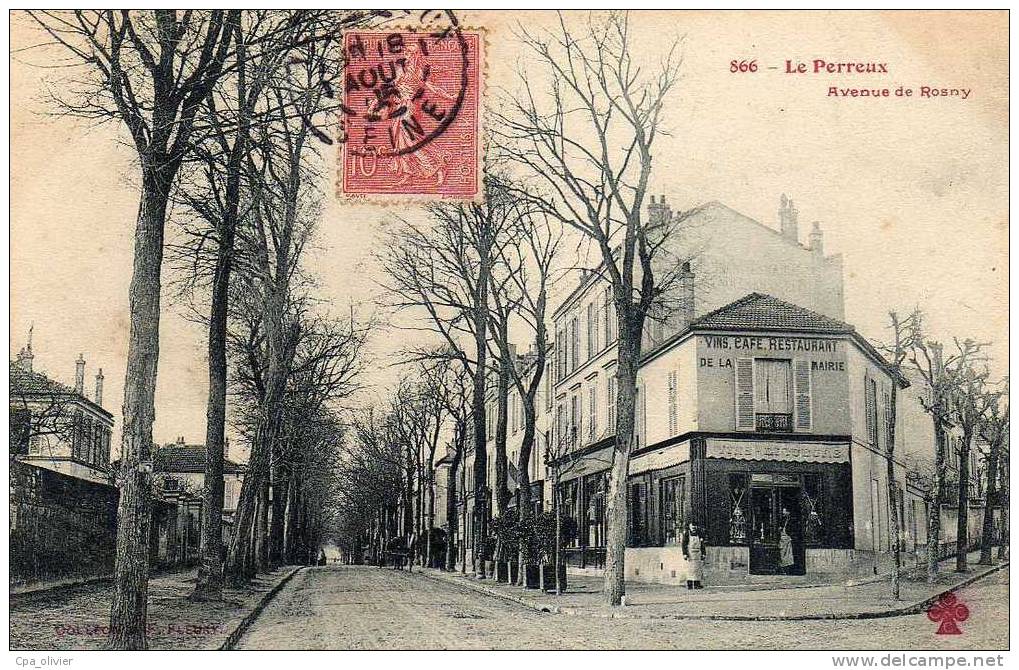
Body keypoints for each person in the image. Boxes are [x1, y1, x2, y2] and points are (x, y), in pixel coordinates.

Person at [682, 522, 707, 590]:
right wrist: (685, 554)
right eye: (692, 527)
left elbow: (702, 545)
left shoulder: (699, 534)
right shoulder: (687, 534)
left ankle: (697, 584)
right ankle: (689, 584)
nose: (694, 529)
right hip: (690, 555)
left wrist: (703, 553)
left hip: (698, 554)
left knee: (697, 569)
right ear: (690, 527)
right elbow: (684, 544)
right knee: (689, 569)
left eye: (695, 527)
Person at [779, 508, 795, 575]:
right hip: (783, 539)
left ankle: (787, 569)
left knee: (788, 555)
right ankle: (784, 568)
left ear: (788, 512)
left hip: (787, 539)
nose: (783, 512)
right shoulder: (783, 519)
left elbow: (791, 529)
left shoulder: (791, 520)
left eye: (784, 511)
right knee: (783, 554)